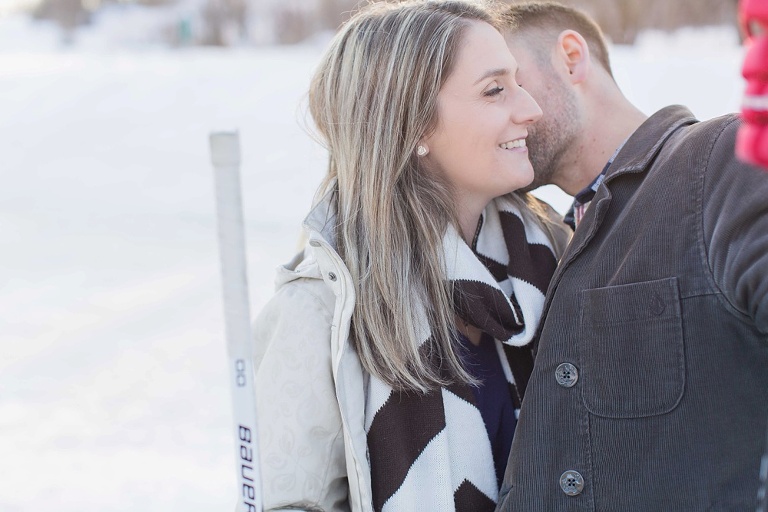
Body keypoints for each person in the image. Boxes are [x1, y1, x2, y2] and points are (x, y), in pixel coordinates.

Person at [251, 2, 570, 511]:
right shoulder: (323, 312)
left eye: (518, 81)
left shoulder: (557, 259)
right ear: (413, 124)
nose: (529, 108)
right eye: (495, 90)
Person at [492, 2, 768, 511]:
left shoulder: (719, 162)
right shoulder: (543, 244)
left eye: (507, 82)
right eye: (488, 94)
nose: (503, 112)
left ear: (571, 58)